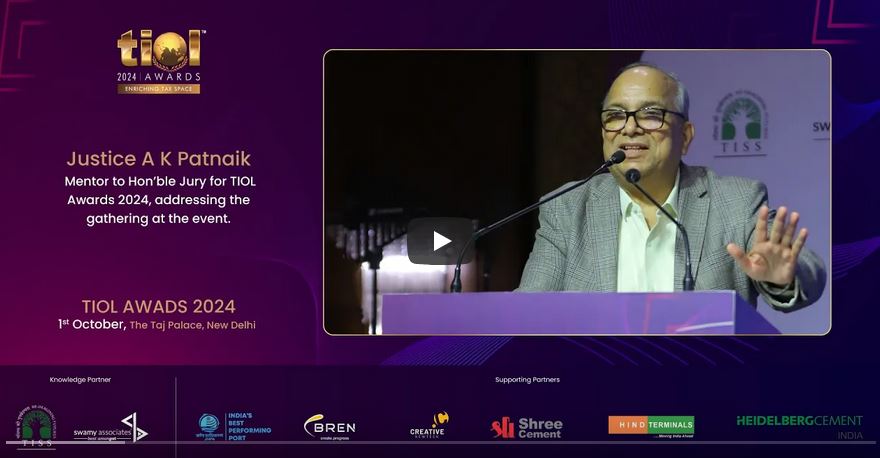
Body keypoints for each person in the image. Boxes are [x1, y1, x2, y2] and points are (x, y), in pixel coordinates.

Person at [518, 62, 826, 311]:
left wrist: (781, 277)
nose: (630, 127)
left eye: (651, 115)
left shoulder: (736, 201)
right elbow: (525, 311)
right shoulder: (568, 208)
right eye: (615, 115)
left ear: (686, 137)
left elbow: (807, 269)